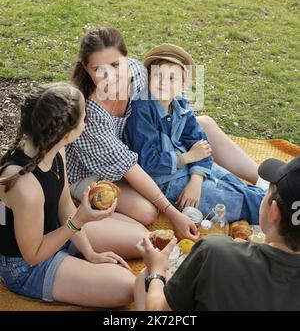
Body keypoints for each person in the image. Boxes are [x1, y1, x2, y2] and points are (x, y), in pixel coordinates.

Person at [66, 27, 264, 237]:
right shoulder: (90, 115)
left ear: (127, 58)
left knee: (203, 124)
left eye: (116, 65)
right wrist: (172, 212)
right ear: (87, 69)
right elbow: (132, 166)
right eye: (99, 69)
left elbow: (174, 100)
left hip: (135, 149)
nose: (111, 77)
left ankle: (264, 180)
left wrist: (196, 172)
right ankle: (76, 219)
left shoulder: (137, 74)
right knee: (147, 211)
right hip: (91, 171)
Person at [0, 83, 148, 308]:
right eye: (83, 120)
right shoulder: (25, 186)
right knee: (128, 287)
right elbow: (33, 254)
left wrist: (90, 253)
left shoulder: (54, 146)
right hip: (27, 265)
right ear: (68, 133)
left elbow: (65, 204)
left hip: (57, 231)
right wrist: (79, 221)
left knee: (142, 239)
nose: (86, 123)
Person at [134, 155, 300, 311]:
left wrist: (157, 270)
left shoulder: (214, 251)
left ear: (274, 212)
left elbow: (159, 309)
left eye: (267, 193)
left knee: (146, 276)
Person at [124, 44, 265, 223]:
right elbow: (147, 162)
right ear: (149, 78)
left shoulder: (180, 105)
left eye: (172, 78)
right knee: (236, 201)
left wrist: (197, 179)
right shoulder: (141, 111)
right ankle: (282, 214)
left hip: (192, 169)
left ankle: (277, 199)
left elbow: (201, 144)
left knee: (236, 185)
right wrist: (188, 157)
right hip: (164, 180)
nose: (163, 82)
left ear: (182, 85)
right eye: (158, 75)